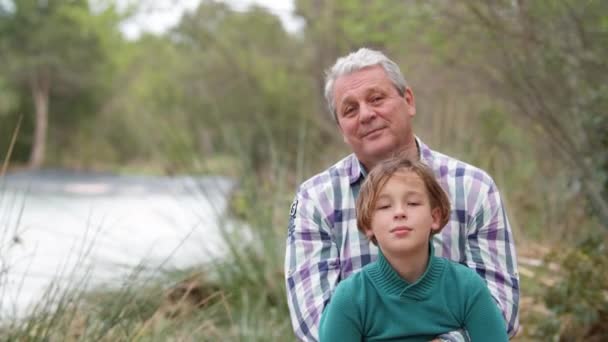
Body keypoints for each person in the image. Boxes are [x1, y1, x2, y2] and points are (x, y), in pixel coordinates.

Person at [284, 48, 519, 342]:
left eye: (376, 98)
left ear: (408, 101)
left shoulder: (474, 188)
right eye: (350, 109)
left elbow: (501, 310)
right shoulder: (314, 200)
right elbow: (313, 322)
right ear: (342, 129)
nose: (366, 115)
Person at [318, 156, 509, 341]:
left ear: (434, 217)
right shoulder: (350, 298)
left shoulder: (467, 287)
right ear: (368, 225)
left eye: (412, 203)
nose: (400, 212)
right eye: (384, 206)